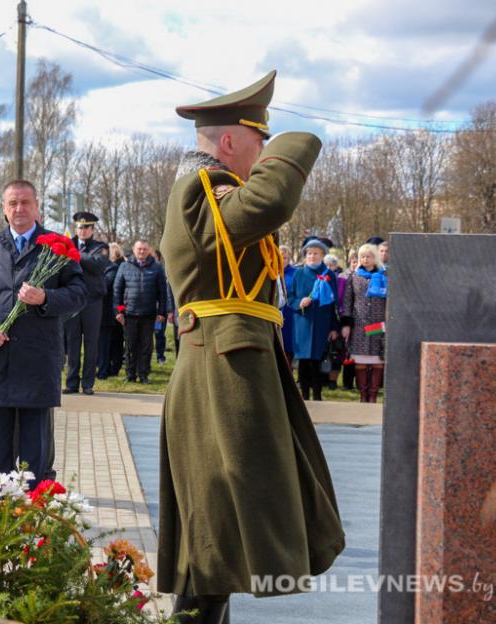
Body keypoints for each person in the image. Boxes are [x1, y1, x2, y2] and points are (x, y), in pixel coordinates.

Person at [159, 70, 344, 623]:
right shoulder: (201, 189)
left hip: (235, 367)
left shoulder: (216, 191)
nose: (263, 154)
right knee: (211, 535)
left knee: (222, 537)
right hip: (222, 372)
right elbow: (268, 202)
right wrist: (300, 139)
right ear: (232, 141)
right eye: (260, 141)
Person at [0, 179, 86, 482]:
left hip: (38, 362)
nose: (19, 209)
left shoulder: (58, 246)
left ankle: (35, 519)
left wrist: (46, 298)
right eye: (12, 203)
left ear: (37, 206)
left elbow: (80, 293)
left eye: (25, 202)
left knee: (36, 457)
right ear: (4, 209)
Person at [63, 211, 108, 395]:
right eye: (80, 227)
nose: (82, 230)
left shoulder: (100, 246)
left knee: (91, 343)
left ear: (92, 229)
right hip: (73, 300)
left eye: (86, 227)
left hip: (92, 301)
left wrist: (74, 255)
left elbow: (97, 264)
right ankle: (72, 382)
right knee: (72, 343)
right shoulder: (68, 243)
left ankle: (88, 383)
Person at [289, 238, 339, 401]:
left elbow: (333, 304)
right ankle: (304, 396)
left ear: (323, 255)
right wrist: (299, 302)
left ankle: (317, 396)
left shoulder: (328, 275)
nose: (312, 256)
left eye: (316, 254)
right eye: (309, 253)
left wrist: (333, 327)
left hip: (321, 323)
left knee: (317, 360)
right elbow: (290, 298)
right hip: (303, 323)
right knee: (303, 361)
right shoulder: (299, 273)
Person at [112, 239, 166, 384]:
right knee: (130, 345)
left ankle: (143, 374)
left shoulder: (157, 267)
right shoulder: (124, 266)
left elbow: (162, 292)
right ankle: (130, 374)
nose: (141, 251)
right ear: (134, 250)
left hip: (149, 314)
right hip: (129, 314)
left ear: (149, 251)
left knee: (146, 346)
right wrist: (119, 311)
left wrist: (162, 312)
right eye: (139, 249)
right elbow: (118, 291)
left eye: (144, 249)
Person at [340, 243, 387, 402]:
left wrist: (389, 322)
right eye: (362, 257)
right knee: (360, 361)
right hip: (360, 325)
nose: (365, 259)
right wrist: (346, 324)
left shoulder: (384, 276)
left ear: (375, 258)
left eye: (368, 256)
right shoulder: (354, 277)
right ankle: (363, 394)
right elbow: (347, 301)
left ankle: (373, 396)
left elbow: (391, 300)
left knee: (377, 361)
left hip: (379, 325)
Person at [98, 242, 125, 379]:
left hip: (110, 310)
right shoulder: (103, 267)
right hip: (103, 310)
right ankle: (105, 367)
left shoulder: (114, 268)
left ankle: (109, 368)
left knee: (112, 342)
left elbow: (107, 286)